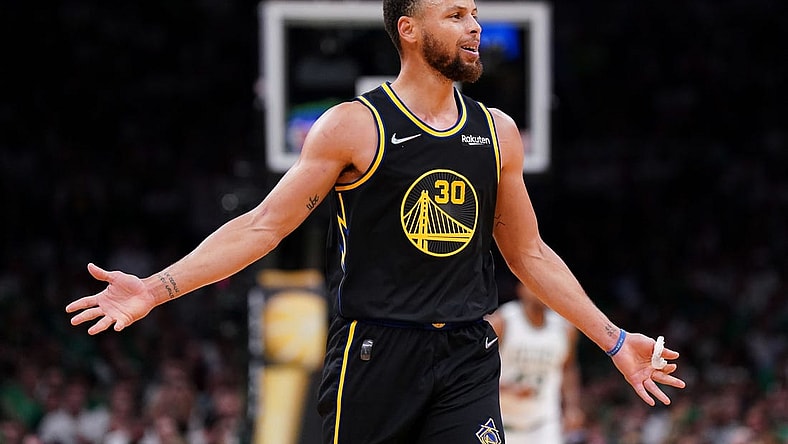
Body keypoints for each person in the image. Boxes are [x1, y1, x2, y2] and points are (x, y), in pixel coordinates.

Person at [66, 0, 687, 442]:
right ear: (409, 30)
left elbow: (530, 255)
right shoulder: (354, 126)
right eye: (456, 15)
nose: (474, 27)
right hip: (375, 351)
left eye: (474, 14)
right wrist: (155, 289)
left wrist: (613, 342)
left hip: (467, 351)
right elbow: (263, 226)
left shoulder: (498, 132)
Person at [486, 280, 584, 444]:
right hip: (500, 422)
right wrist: (507, 388)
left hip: (544, 423)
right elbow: (475, 372)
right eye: (535, 284)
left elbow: (568, 368)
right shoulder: (501, 322)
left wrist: (572, 407)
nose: (542, 290)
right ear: (520, 289)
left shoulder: (564, 328)